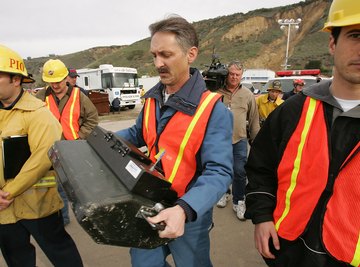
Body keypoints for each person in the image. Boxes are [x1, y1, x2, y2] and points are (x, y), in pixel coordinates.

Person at [245, 0, 360, 266]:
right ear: (332, 43)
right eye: (355, 35)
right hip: (288, 250)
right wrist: (262, 217)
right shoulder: (293, 111)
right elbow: (261, 168)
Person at [116, 16, 233, 267]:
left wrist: (184, 209)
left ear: (191, 54)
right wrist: (98, 140)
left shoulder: (213, 110)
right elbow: (138, 134)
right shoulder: (152, 100)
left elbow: (220, 172)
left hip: (188, 214)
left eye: (166, 55)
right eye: (154, 55)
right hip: (147, 203)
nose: (158, 63)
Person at [0, 44, 83, 266]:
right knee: (16, 257)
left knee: (61, 253)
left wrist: (7, 194)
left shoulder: (37, 114)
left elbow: (41, 158)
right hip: (5, 213)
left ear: (15, 79)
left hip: (37, 205)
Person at [36, 59, 98, 225]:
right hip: (50, 150)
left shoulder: (79, 96)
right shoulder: (41, 96)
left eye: (57, 81)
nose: (55, 85)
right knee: (56, 187)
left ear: (65, 78)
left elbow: (92, 118)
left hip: (73, 149)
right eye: (51, 82)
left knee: (78, 187)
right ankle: (62, 219)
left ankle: (87, 218)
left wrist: (80, 137)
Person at [216, 61, 260, 221]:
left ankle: (239, 200)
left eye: (237, 75)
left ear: (242, 76)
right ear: (227, 74)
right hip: (219, 140)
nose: (234, 77)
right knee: (221, 168)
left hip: (239, 139)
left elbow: (254, 119)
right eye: (231, 74)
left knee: (240, 171)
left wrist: (257, 141)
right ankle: (224, 193)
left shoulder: (247, 94)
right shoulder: (216, 92)